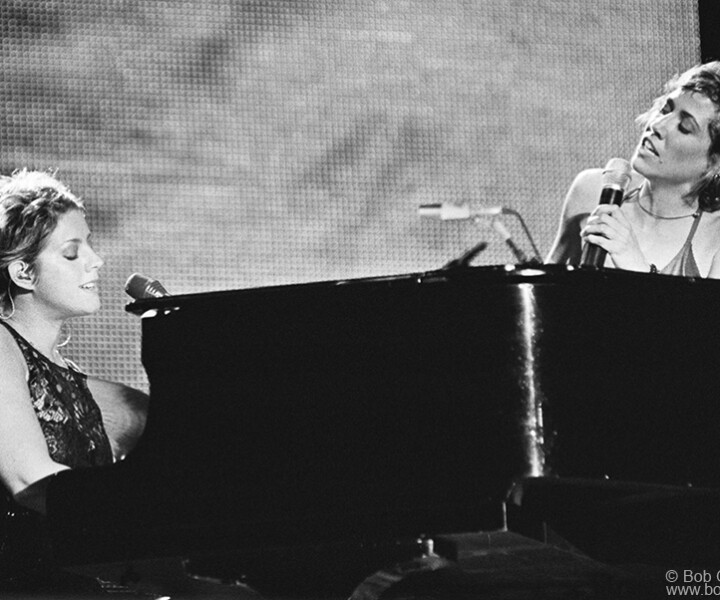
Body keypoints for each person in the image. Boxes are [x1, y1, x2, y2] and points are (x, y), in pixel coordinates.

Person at [0, 169, 149, 592]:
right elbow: (29, 480)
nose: (95, 260)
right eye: (71, 252)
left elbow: (145, 421)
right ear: (23, 273)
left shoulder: (70, 376)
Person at [546, 61, 720, 278]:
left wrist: (634, 263)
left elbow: (698, 314)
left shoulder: (715, 239)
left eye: (684, 127)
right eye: (665, 109)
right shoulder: (591, 192)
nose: (657, 125)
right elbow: (545, 295)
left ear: (713, 163)